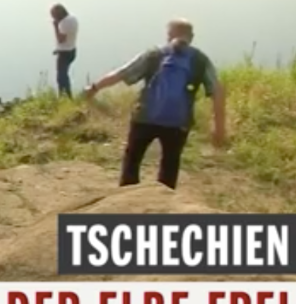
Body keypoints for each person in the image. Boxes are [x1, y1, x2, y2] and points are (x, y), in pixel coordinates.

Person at [84, 18, 227, 190]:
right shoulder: (200, 60)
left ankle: (127, 195)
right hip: (178, 122)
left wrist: (94, 88)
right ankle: (165, 198)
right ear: (191, 37)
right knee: (170, 162)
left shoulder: (154, 54)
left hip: (145, 117)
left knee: (133, 158)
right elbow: (217, 92)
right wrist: (219, 128)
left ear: (170, 35)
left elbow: (122, 73)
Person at [51, 3, 79, 97]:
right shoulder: (73, 18)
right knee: (64, 74)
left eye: (54, 16)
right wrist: (58, 49)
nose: (53, 18)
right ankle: (66, 95)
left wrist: (55, 26)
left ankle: (65, 96)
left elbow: (61, 40)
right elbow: (68, 38)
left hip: (65, 54)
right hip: (72, 50)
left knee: (61, 77)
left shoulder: (64, 23)